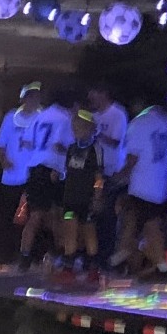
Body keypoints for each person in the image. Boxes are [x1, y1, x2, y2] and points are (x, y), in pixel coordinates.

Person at [0, 82, 71, 268]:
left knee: (36, 215)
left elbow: (28, 141)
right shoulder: (64, 118)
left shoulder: (41, 117)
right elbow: (65, 145)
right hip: (52, 168)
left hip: (34, 168)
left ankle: (27, 255)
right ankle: (61, 254)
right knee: (55, 214)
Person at [115, 95, 167, 277]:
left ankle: (122, 258)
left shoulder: (139, 124)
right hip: (161, 185)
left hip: (142, 186)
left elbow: (133, 158)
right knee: (147, 227)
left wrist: (118, 177)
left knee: (138, 226)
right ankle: (135, 262)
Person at [57, 110, 105, 274]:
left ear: (89, 129)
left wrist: (97, 196)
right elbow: (67, 170)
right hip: (70, 197)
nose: (75, 131)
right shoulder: (71, 148)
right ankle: (68, 265)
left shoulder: (95, 149)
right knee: (69, 227)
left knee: (88, 230)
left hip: (87, 198)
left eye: (79, 128)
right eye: (74, 128)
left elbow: (99, 176)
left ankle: (93, 268)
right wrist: (59, 175)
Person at [86, 83, 129, 261]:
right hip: (94, 170)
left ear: (103, 93)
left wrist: (95, 133)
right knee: (93, 213)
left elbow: (116, 141)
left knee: (107, 214)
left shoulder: (117, 114)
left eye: (94, 94)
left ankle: (106, 255)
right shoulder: (92, 115)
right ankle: (92, 254)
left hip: (110, 172)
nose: (91, 99)